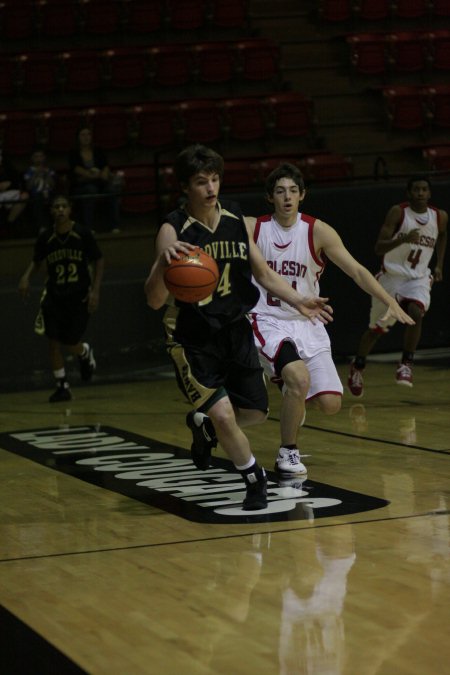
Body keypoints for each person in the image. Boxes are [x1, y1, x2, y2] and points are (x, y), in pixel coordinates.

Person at [144, 145, 333, 511]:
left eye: (214, 179)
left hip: (235, 327)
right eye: (201, 182)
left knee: (255, 414)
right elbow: (153, 300)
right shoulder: (173, 229)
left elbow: (262, 273)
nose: (211, 188)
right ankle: (253, 478)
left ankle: (205, 428)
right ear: (186, 187)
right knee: (225, 413)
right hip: (193, 335)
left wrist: (299, 300)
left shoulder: (233, 217)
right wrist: (161, 267)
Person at [245, 162, 415, 476]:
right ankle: (288, 452)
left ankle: (291, 393)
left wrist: (388, 299)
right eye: (280, 191)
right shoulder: (254, 228)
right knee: (298, 379)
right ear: (270, 197)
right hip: (267, 318)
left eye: (293, 191)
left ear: (302, 195)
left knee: (330, 405)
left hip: (306, 321)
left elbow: (357, 271)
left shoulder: (317, 230)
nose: (287, 197)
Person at [348, 175, 447, 396]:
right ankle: (358, 366)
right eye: (416, 189)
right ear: (409, 193)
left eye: (424, 189)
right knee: (377, 329)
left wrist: (439, 264)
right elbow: (378, 248)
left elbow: (442, 236)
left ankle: (406, 364)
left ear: (429, 193)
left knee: (415, 313)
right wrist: (402, 239)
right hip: (390, 277)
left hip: (418, 278)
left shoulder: (439, 217)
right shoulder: (399, 213)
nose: (420, 193)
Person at [18, 194, 104, 403]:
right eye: (56, 207)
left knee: (70, 342)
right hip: (55, 296)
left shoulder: (82, 233)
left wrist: (95, 290)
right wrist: (26, 277)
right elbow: (37, 260)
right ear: (51, 211)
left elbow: (99, 259)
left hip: (79, 296)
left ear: (70, 209)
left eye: (64, 206)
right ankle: (62, 386)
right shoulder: (46, 237)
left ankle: (84, 352)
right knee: (53, 342)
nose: (60, 210)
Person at [68, 126, 121, 233]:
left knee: (112, 190)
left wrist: (104, 173)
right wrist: (93, 175)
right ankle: (88, 227)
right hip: (81, 184)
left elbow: (105, 166)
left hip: (100, 183)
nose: (86, 137)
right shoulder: (73, 152)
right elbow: (76, 169)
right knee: (90, 190)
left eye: (88, 134)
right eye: (83, 135)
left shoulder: (98, 150)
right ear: (78, 137)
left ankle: (115, 225)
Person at [24, 147, 56, 233]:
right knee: (38, 200)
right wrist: (35, 174)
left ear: (44, 157)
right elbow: (28, 187)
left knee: (58, 200)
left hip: (50, 194)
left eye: (41, 156)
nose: (39, 159)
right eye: (36, 156)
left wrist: (46, 173)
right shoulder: (29, 171)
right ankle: (42, 227)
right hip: (36, 195)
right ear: (32, 158)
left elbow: (53, 185)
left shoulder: (50, 169)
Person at [0, 149, 28, 232]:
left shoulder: (8, 167)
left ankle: (9, 224)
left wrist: (9, 184)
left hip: (8, 193)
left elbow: (16, 182)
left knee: (24, 196)